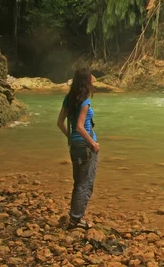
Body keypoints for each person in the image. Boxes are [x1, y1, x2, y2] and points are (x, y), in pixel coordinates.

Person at [57, 67, 100, 229]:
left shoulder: (68, 99)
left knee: (78, 182)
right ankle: (76, 220)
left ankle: (73, 216)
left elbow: (60, 123)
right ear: (86, 81)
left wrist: (70, 137)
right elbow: (81, 127)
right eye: (90, 77)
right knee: (86, 184)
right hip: (86, 146)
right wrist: (93, 144)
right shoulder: (85, 102)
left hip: (74, 145)